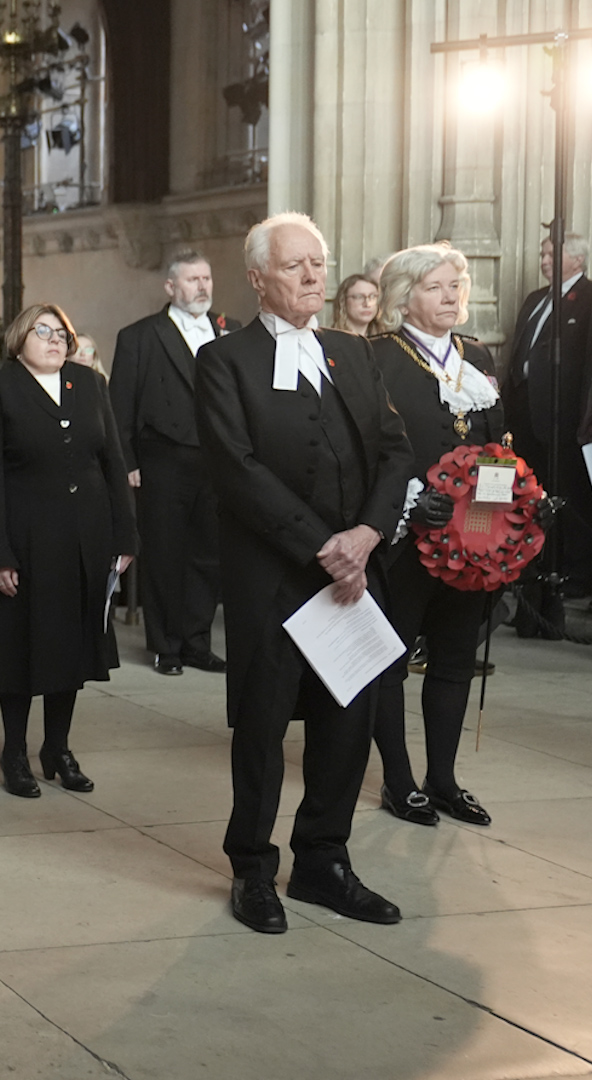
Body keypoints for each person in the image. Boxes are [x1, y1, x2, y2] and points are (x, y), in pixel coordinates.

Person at [196, 212, 414, 935]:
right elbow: (237, 471)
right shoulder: (224, 361)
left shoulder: (353, 355)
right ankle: (253, 870)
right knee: (261, 730)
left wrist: (367, 535)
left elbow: (394, 451)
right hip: (275, 580)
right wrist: (327, 548)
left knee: (347, 725)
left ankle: (323, 862)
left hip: (355, 574)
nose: (314, 276)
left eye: (319, 263)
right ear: (258, 278)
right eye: (296, 266)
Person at [0, 304, 137, 797]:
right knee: (20, 646)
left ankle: (57, 747)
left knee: (72, 646)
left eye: (62, 333)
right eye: (43, 332)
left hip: (84, 536)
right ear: (19, 338)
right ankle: (15, 750)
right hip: (25, 538)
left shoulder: (89, 386)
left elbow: (112, 461)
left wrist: (125, 537)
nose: (55, 340)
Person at [368, 244, 504, 828]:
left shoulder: (477, 356)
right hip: (404, 539)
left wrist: (504, 522)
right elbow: (365, 452)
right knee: (390, 662)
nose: (452, 296)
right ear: (404, 297)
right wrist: (404, 507)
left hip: (470, 543)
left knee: (453, 660)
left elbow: (500, 449)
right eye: (436, 286)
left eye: (457, 285)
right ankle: (399, 782)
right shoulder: (374, 356)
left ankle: (442, 780)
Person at [109, 249, 228, 676]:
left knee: (208, 556)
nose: (202, 287)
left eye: (207, 278)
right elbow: (120, 405)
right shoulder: (140, 335)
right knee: (164, 554)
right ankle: (166, 646)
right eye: (193, 280)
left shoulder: (227, 331)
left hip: (218, 461)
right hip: (162, 459)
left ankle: (197, 643)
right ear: (171, 287)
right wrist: (127, 461)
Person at [504, 233, 591, 600]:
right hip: (525, 414)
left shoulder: (588, 298)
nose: (543, 260)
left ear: (577, 260)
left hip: (565, 417)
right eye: (542, 253)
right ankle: (536, 565)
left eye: (551, 254)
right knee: (531, 493)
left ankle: (577, 572)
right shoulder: (536, 299)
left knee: (570, 496)